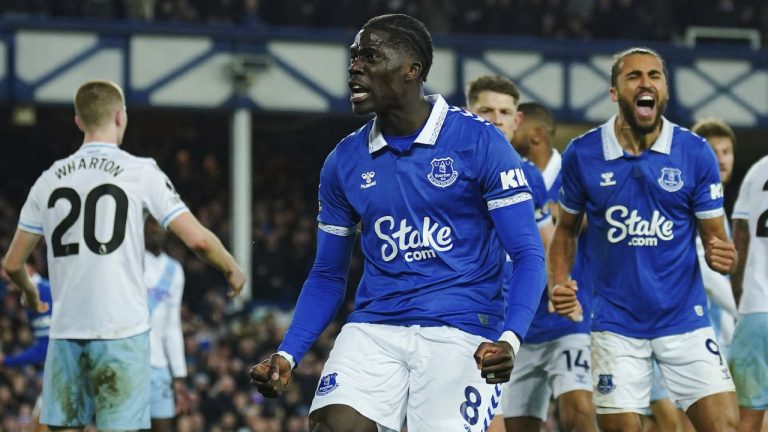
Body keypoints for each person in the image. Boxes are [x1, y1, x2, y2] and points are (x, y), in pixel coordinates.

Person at [250, 14, 546, 431]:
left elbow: (528, 253)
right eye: (354, 57)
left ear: (413, 69)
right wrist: (288, 354)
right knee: (331, 427)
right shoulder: (343, 161)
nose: (354, 67)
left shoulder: (480, 142)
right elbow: (327, 276)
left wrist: (509, 338)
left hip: (463, 330)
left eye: (370, 56)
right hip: (375, 328)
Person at [1, 79, 245, 431]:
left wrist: (27, 290)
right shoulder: (140, 171)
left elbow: (12, 264)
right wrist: (232, 267)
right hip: (121, 333)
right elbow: (198, 242)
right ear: (120, 117)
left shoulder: (48, 180)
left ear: (79, 122)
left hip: (66, 331)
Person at [548, 47, 739, 432]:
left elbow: (717, 241)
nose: (645, 82)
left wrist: (724, 257)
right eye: (633, 76)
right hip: (616, 325)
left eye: (654, 75)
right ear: (615, 91)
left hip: (685, 319)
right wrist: (558, 282)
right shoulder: (583, 153)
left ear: (665, 90)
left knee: (725, 426)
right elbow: (565, 230)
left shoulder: (694, 153)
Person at [466, 75, 595, 432]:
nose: (495, 118)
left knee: (579, 411)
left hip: (556, 325)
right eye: (486, 110)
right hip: (488, 324)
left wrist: (559, 288)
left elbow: (548, 243)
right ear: (468, 113)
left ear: (517, 120)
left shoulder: (532, 177)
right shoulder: (444, 171)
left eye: (503, 111)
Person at [645, 118, 741, 432]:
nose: (722, 159)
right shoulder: (690, 205)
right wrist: (743, 314)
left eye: (727, 152)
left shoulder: (718, 208)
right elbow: (710, 276)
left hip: (712, 333)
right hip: (687, 332)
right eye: (714, 152)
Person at [729, 154, 768, 432]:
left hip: (755, 309)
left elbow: (739, 242)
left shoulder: (757, 170)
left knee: (747, 420)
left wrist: (739, 304)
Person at [144, 217, 190, 432]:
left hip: (159, 365)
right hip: (127, 359)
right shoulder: (128, 262)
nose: (155, 229)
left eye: (159, 224)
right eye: (149, 223)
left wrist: (178, 375)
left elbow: (172, 326)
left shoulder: (174, 270)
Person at [0, 258, 52, 432]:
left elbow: (46, 348)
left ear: (28, 270)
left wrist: (6, 361)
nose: (3, 274)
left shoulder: (43, 293)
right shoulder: (31, 297)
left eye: (8, 269)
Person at [512, 102, 561, 219]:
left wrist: (539, 208)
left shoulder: (577, 171)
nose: (507, 132)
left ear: (537, 135)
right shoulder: (509, 174)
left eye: (514, 126)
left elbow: (595, 215)